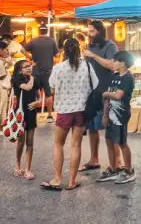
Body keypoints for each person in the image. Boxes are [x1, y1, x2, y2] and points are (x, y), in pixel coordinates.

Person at [42, 38, 99, 191]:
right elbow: (96, 85)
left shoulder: (58, 68)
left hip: (64, 110)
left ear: (64, 51)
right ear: (79, 50)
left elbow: (52, 90)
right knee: (76, 145)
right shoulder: (87, 66)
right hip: (81, 110)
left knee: (58, 144)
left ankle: (57, 178)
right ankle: (72, 181)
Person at [80, 21, 120, 174]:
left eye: (92, 31)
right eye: (89, 31)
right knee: (92, 128)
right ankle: (94, 159)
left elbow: (112, 65)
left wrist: (93, 56)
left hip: (107, 91)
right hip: (92, 93)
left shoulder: (110, 46)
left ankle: (117, 162)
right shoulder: (89, 47)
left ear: (100, 32)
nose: (90, 34)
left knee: (110, 128)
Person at [97, 51, 136, 184]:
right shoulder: (113, 76)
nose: (112, 63)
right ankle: (113, 169)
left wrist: (106, 93)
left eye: (115, 61)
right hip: (110, 114)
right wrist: (105, 115)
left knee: (121, 142)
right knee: (109, 140)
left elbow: (118, 95)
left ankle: (129, 170)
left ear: (122, 63)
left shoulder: (128, 78)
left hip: (121, 115)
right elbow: (108, 99)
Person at [10, 60, 43, 181]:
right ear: (19, 70)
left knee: (30, 142)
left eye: (29, 66)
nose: (29, 68)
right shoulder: (16, 79)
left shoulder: (35, 80)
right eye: (26, 67)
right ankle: (18, 165)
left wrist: (37, 102)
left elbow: (39, 97)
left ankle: (28, 169)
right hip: (19, 113)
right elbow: (28, 88)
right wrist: (32, 78)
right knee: (20, 142)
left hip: (31, 112)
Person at [23, 27, 58, 98]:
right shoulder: (52, 41)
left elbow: (22, 49)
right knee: (49, 95)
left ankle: (33, 108)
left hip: (35, 71)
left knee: (34, 94)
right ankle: (50, 110)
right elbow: (57, 55)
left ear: (39, 31)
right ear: (47, 31)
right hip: (48, 71)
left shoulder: (33, 41)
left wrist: (30, 57)